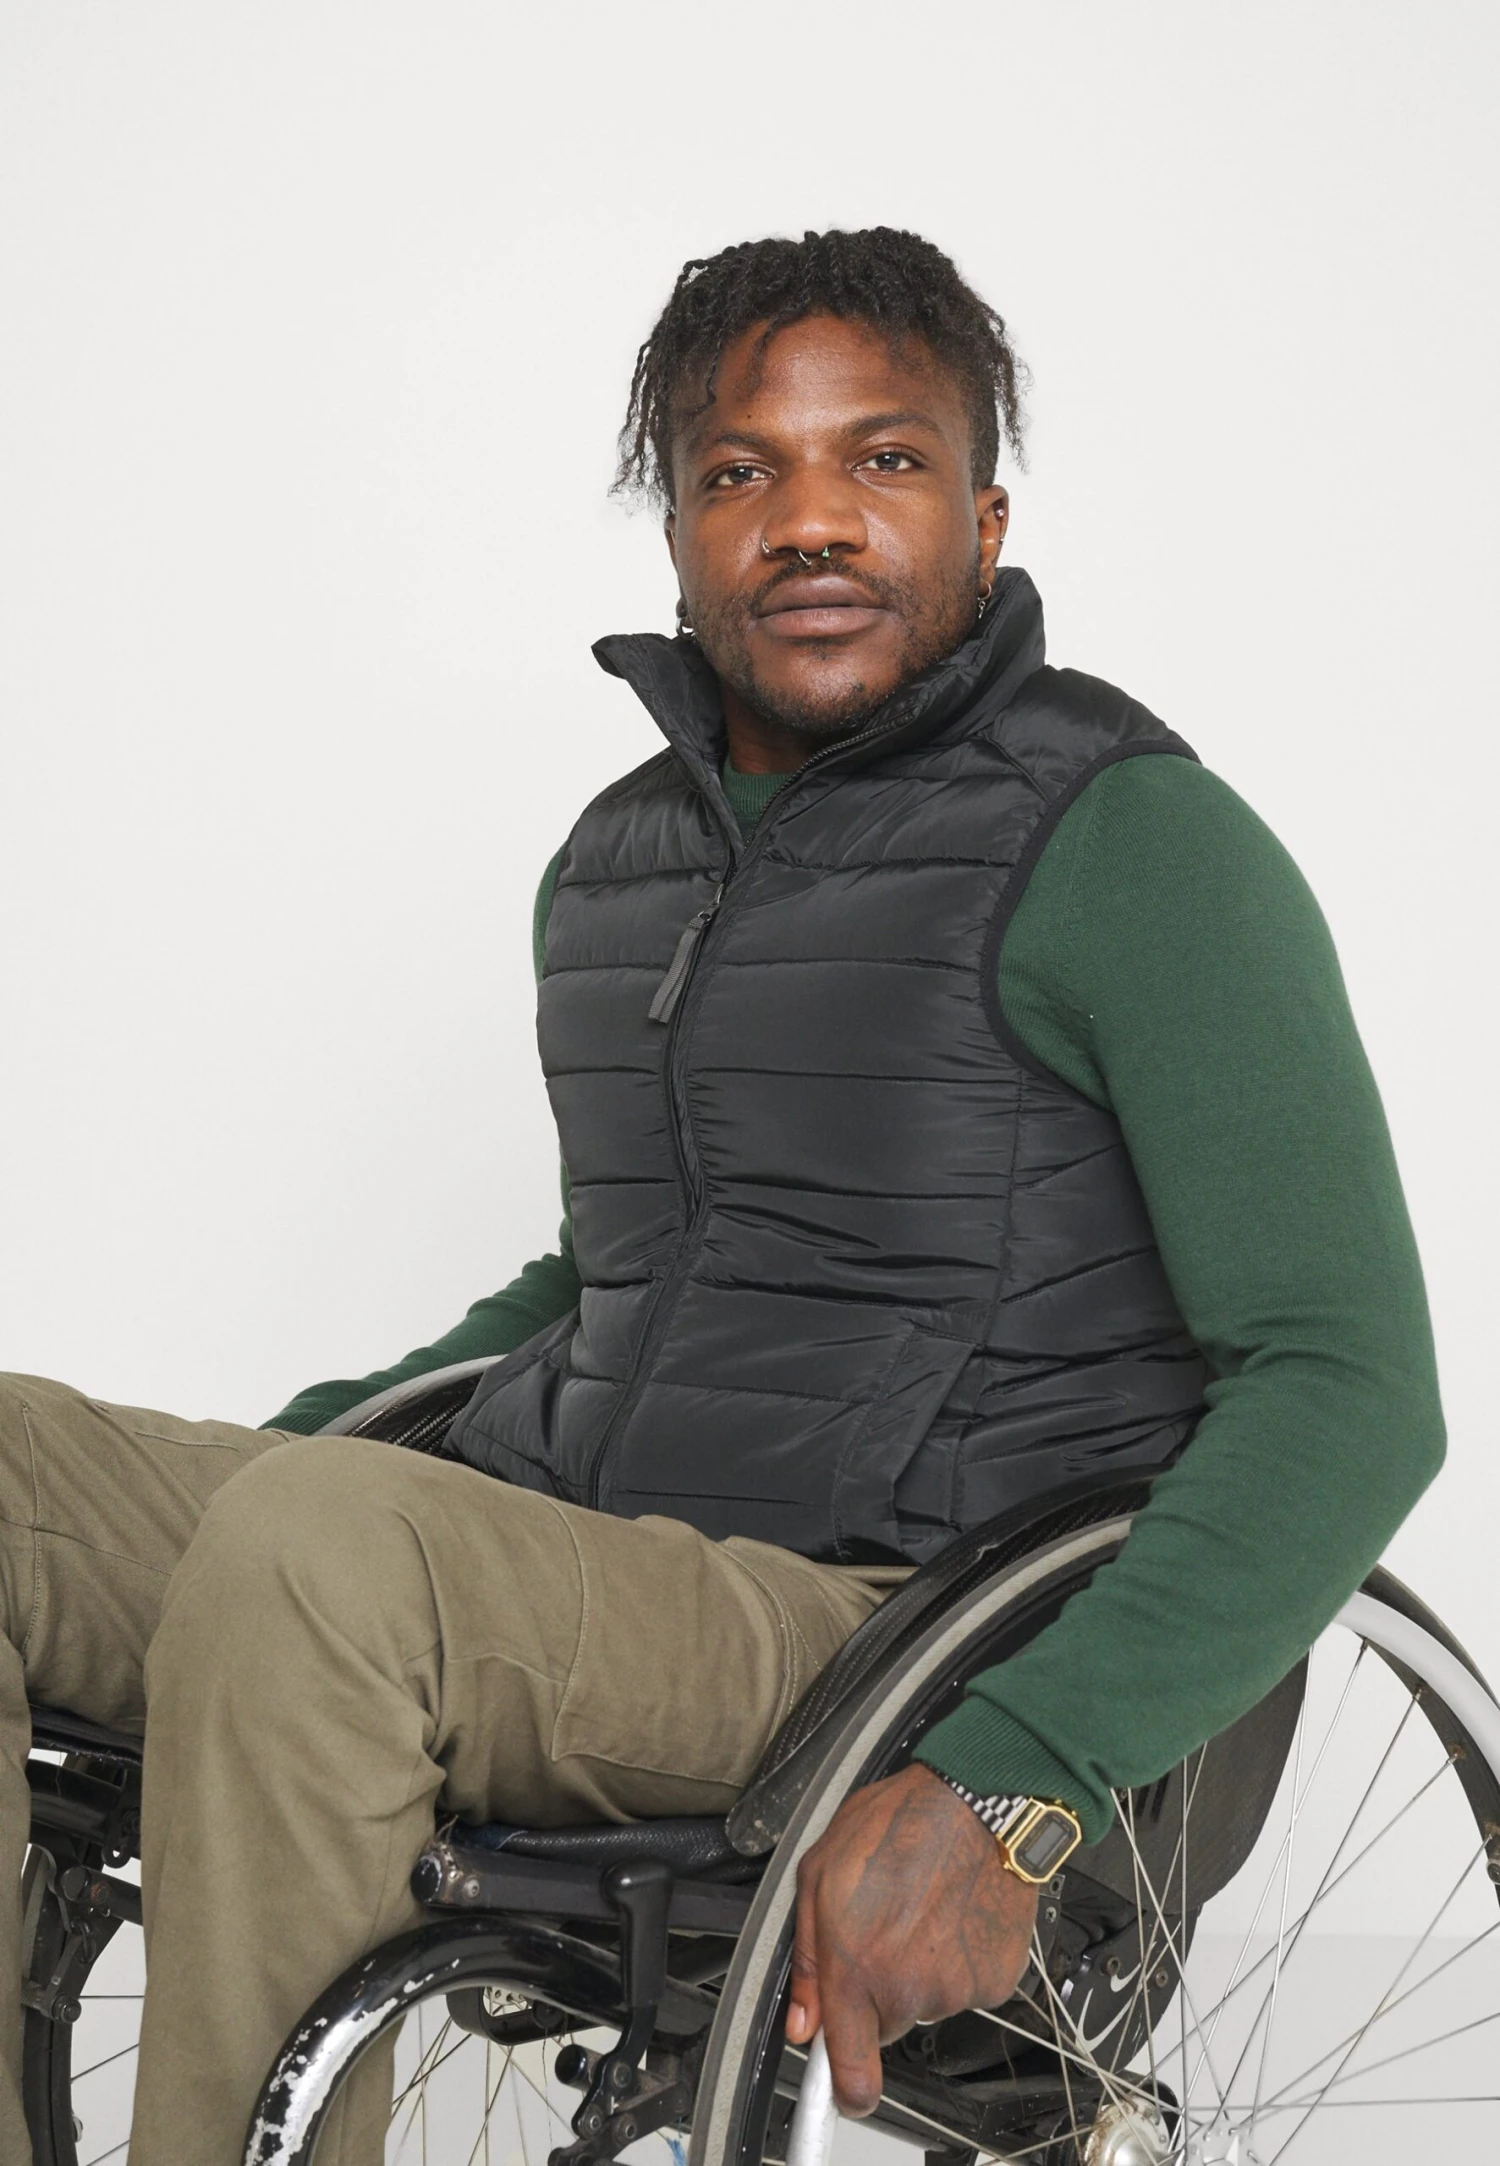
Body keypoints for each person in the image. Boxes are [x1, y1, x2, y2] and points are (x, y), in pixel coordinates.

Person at [0, 226, 1444, 2164]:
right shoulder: (621, 862)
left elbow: (1349, 1389)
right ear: (678, 532)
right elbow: (611, 1273)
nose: (812, 518)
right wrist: (292, 1461)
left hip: (880, 1625)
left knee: (322, 1551)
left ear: (987, 516)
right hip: (592, 1565)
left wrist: (1015, 1781)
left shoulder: (1131, 846)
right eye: (742, 469)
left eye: (886, 459)